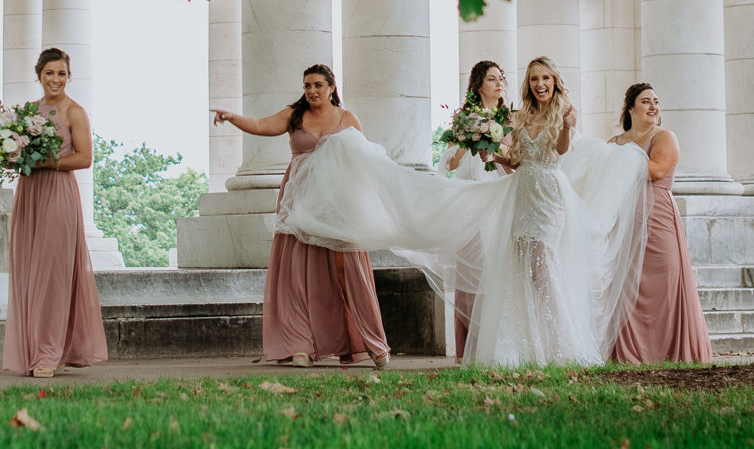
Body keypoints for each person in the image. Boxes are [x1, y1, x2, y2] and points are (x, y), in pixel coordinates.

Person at [272, 57, 652, 368]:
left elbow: (563, 151)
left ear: (555, 81)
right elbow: (517, 160)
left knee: (544, 263)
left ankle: (563, 343)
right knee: (519, 265)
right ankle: (524, 347)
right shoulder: (519, 118)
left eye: (545, 78)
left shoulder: (562, 114)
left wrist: (568, 125)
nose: (540, 84)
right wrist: (491, 153)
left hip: (549, 194)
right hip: (522, 191)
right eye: (534, 78)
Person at [212, 64, 390, 368]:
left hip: (338, 204)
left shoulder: (347, 119)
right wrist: (233, 118)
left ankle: (373, 343)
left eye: (318, 85)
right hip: (300, 203)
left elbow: (365, 161)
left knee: (348, 271)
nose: (312, 91)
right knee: (297, 275)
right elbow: (260, 125)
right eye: (307, 85)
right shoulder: (295, 115)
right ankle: (300, 347)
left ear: (332, 88)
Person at [1, 47, 108, 378]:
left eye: (61, 73)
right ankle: (35, 349)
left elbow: (85, 158)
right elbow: (15, 153)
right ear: (39, 76)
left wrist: (48, 162)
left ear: (68, 77)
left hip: (59, 194)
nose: (56, 79)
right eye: (49, 73)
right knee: (29, 272)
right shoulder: (27, 112)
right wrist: (7, 155)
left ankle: (49, 353)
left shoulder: (75, 112)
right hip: (30, 194)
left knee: (53, 275)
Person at [610, 83, 712, 364]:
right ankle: (630, 352)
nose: (653, 106)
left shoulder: (664, 136)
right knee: (627, 283)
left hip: (658, 219)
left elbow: (658, 170)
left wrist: (614, 163)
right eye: (645, 101)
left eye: (656, 101)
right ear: (630, 108)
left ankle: (668, 350)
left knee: (665, 280)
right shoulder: (614, 142)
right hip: (625, 223)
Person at [442, 59, 511, 359]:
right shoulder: (465, 119)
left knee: (499, 269)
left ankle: (497, 345)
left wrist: (494, 147)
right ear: (479, 85)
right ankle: (468, 348)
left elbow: (517, 158)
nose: (499, 84)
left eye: (501, 79)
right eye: (492, 79)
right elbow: (451, 163)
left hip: (501, 198)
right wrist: (469, 137)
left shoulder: (511, 119)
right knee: (472, 271)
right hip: (471, 203)